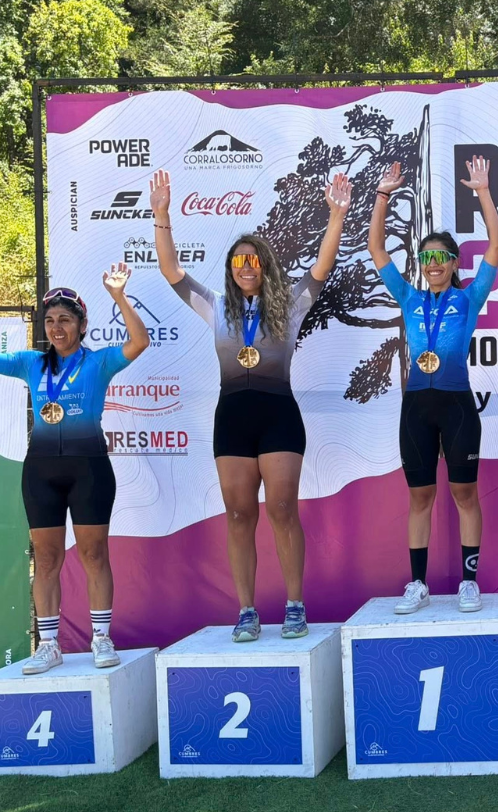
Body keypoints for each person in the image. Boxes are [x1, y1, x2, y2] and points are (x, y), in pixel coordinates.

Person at [148, 168, 350, 641]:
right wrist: (161, 215)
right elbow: (171, 271)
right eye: (239, 260)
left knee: (281, 508)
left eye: (254, 260)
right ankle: (246, 611)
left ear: (265, 266)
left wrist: (337, 216)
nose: (246, 266)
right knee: (239, 515)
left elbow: (322, 267)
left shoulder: (291, 304)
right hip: (233, 419)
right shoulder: (216, 306)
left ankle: (295, 605)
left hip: (278, 415)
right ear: (231, 267)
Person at [0, 266, 150, 674]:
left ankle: (101, 638)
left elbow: (140, 341)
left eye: (65, 320)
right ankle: (48, 645)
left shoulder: (99, 362)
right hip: (41, 471)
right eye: (50, 321)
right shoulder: (30, 363)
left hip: (89, 469)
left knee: (94, 554)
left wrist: (119, 296)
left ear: (82, 325)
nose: (56, 328)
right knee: (45, 559)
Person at [367, 157, 498, 614]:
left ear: (453, 262)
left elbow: (496, 242)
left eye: (441, 257)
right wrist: (383, 195)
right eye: (426, 258)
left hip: (456, 405)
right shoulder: (409, 297)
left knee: (465, 494)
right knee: (419, 497)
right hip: (416, 408)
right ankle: (418, 584)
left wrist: (482, 191)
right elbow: (376, 248)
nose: (433, 264)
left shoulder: (469, 297)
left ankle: (470, 582)